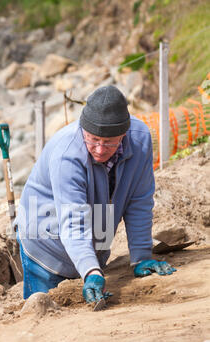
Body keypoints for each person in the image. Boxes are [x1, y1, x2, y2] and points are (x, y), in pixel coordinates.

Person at [15, 85, 176, 303]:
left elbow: (139, 201)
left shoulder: (139, 140)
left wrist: (140, 257)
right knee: (43, 318)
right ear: (83, 130)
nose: (100, 149)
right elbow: (73, 222)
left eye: (109, 142)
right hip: (46, 247)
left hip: (93, 241)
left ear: (124, 134)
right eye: (92, 140)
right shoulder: (67, 155)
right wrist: (91, 270)